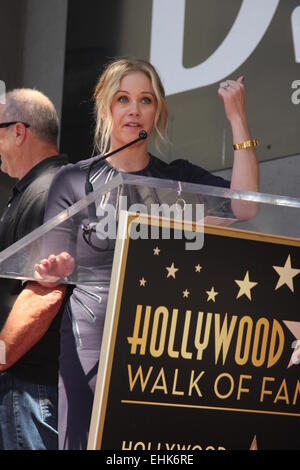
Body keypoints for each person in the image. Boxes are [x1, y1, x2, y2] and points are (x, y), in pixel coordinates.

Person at [34, 58, 259, 449]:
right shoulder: (73, 180)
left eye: (146, 100)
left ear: (158, 113)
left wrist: (237, 118)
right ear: (107, 108)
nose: (134, 110)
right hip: (92, 346)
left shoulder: (180, 179)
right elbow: (47, 271)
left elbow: (246, 207)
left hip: (162, 346)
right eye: (123, 99)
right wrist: (57, 267)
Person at [0, 89, 68, 450]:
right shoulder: (42, 189)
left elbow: (46, 292)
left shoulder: (51, 190)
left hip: (31, 393)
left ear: (18, 131)